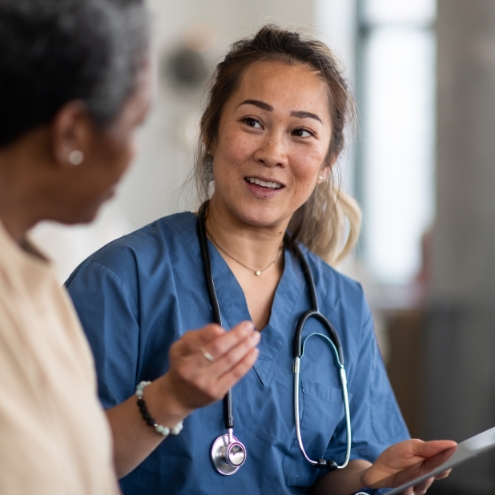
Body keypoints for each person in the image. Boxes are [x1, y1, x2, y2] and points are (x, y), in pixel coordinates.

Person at [66, 25, 455, 495]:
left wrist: (369, 479)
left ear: (328, 161)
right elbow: (58, 461)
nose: (273, 153)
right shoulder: (120, 279)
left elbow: (329, 473)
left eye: (302, 133)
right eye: (252, 122)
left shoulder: (340, 303)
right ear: (210, 132)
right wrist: (167, 402)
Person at [0, 1, 259, 493]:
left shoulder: (33, 276)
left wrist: (171, 397)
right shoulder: (108, 273)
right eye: (135, 122)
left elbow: (71, 456)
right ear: (72, 133)